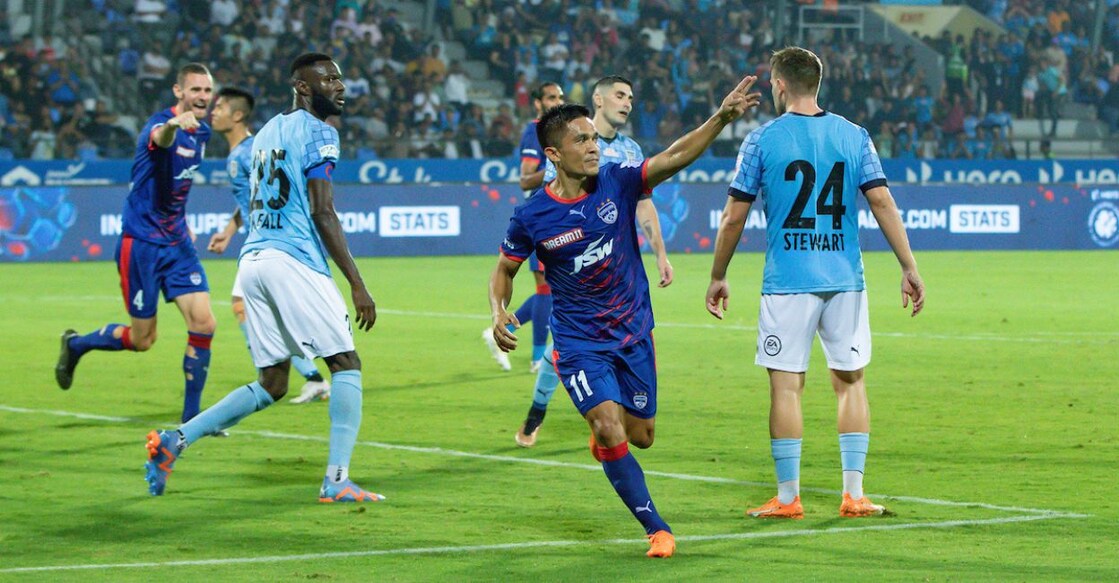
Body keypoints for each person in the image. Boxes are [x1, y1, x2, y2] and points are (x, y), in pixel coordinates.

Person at [489, 76, 761, 558]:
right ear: (553, 154)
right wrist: (498, 309)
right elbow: (504, 270)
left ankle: (607, 442)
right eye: (581, 140)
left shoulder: (617, 180)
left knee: (642, 436)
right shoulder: (532, 216)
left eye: (593, 138)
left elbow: (674, 157)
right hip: (577, 344)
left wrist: (721, 118)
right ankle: (657, 528)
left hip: (633, 332)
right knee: (610, 429)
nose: (593, 147)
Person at [144, 53, 383, 503]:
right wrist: (356, 282)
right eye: (328, 79)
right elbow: (323, 210)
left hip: (253, 261)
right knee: (345, 363)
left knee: (272, 382)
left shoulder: (267, 132)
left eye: (340, 77)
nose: (340, 86)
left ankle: (175, 439)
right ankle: (336, 480)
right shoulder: (320, 132)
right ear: (303, 87)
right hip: (291, 259)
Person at [705, 47, 925, 520]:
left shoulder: (762, 141)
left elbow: (732, 219)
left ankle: (788, 499)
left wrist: (718, 274)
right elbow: (882, 202)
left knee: (787, 387)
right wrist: (908, 266)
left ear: (779, 85)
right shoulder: (855, 136)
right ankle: (855, 494)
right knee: (851, 382)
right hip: (845, 278)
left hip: (788, 281)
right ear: (817, 83)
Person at [512, 75, 675, 448]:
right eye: (619, 95)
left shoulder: (631, 151)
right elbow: (548, 194)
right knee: (568, 343)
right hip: (571, 257)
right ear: (598, 101)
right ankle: (539, 415)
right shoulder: (573, 145)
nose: (627, 103)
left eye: (631, 97)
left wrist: (660, 254)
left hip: (616, 269)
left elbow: (644, 203)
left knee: (605, 348)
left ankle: (602, 420)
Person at [55, 63, 217, 425]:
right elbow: (161, 138)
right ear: (179, 92)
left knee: (204, 323)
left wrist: (185, 223)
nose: (202, 97)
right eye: (195, 90)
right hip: (141, 244)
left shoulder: (202, 132)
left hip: (177, 244)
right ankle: (77, 344)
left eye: (207, 91)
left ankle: (193, 420)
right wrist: (175, 124)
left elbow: (177, 186)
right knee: (143, 339)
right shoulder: (160, 125)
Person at [207, 86, 332, 405]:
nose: (213, 112)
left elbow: (280, 189)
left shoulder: (249, 151)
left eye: (219, 107)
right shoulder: (240, 152)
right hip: (259, 241)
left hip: (270, 243)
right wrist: (229, 230)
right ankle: (307, 374)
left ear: (237, 116)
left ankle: (302, 373)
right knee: (259, 310)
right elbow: (252, 198)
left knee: (249, 307)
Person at [482, 82, 565, 373]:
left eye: (561, 97)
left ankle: (503, 330)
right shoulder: (535, 132)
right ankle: (538, 358)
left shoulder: (561, 131)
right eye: (551, 97)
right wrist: (558, 165)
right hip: (540, 217)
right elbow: (526, 179)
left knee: (553, 288)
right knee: (545, 287)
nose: (558, 101)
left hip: (560, 215)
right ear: (538, 104)